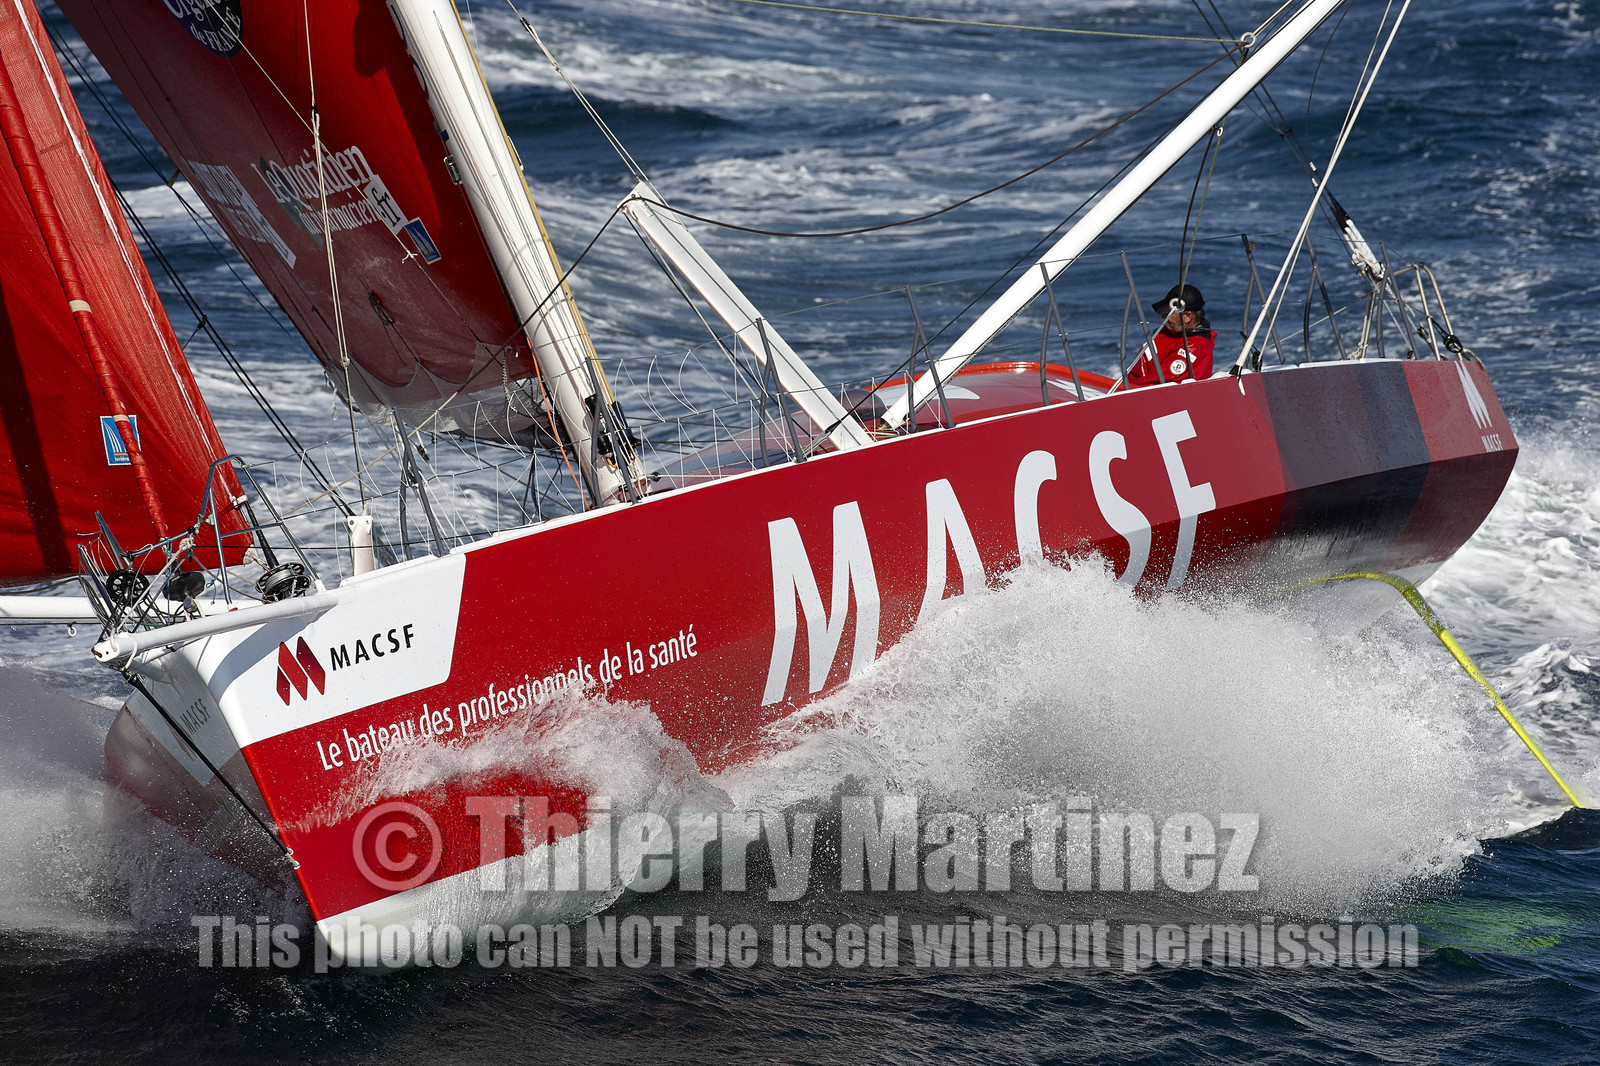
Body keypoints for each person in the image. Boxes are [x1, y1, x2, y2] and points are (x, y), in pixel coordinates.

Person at [1127, 283, 1215, 389]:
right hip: (1130, 384)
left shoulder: (1194, 348)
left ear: (1187, 316)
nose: (1163, 317)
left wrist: (1123, 389)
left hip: (1152, 394)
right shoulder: (1167, 333)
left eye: (1168, 313)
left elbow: (1160, 385)